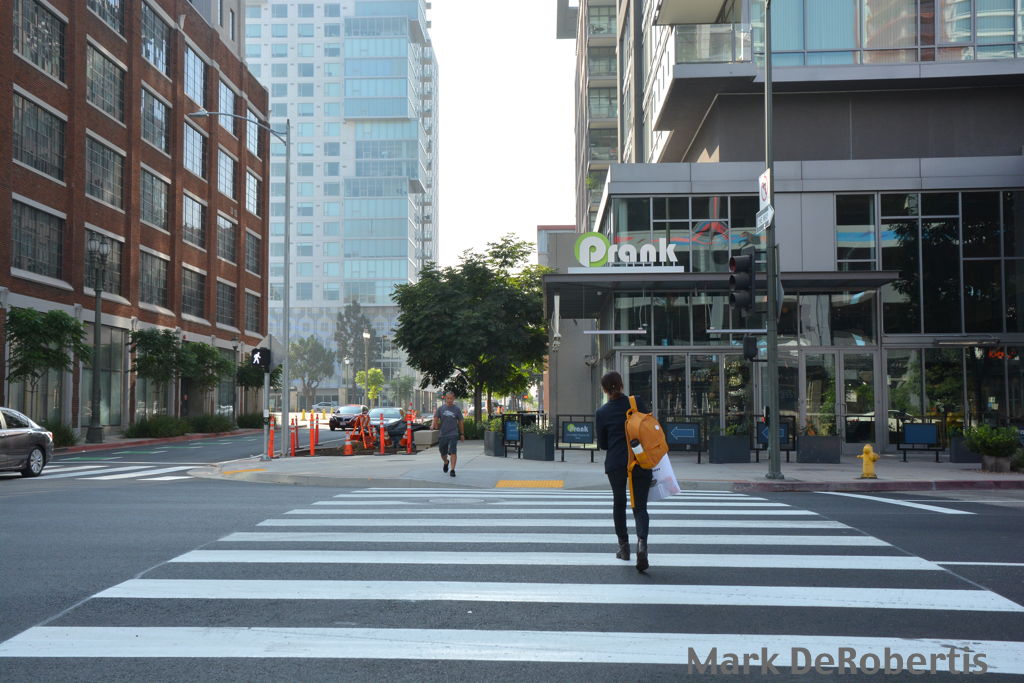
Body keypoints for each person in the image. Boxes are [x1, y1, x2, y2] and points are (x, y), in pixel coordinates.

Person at [595, 370, 653, 572]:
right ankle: (642, 545)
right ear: (621, 384)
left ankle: (624, 548)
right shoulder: (636, 403)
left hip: (616, 463)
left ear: (604, 389)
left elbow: (603, 444)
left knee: (619, 504)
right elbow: (650, 428)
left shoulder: (602, 412)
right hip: (640, 460)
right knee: (640, 507)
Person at [432, 391, 465, 477]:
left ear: (454, 398)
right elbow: (435, 418)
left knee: (453, 451)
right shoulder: (441, 408)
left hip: (453, 434)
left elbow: (461, 422)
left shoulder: (457, 409)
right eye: (448, 398)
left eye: (451, 398)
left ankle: (452, 470)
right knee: (443, 453)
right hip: (443, 434)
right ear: (445, 398)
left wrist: (462, 434)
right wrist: (435, 424)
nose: (449, 400)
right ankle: (446, 462)